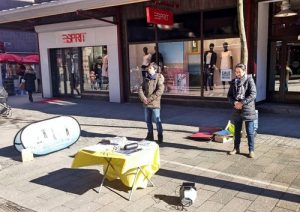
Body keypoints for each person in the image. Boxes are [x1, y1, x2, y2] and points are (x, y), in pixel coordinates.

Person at [227, 63, 257, 158]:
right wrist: (235, 103)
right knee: (237, 131)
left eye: (239, 72)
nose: (237, 74)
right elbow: (229, 96)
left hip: (248, 109)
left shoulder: (249, 79)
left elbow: (253, 94)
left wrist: (242, 103)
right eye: (236, 72)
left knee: (250, 131)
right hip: (237, 110)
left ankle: (251, 150)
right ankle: (236, 148)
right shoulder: (234, 82)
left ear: (244, 71)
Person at [138, 62, 165, 144]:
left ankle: (160, 135)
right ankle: (150, 135)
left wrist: (149, 99)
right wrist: (143, 98)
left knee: (157, 121)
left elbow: (160, 90)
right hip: (146, 103)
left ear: (155, 69)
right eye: (148, 68)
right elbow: (140, 89)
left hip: (154, 104)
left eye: (150, 68)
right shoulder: (146, 77)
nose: (148, 69)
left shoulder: (159, 78)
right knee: (148, 120)